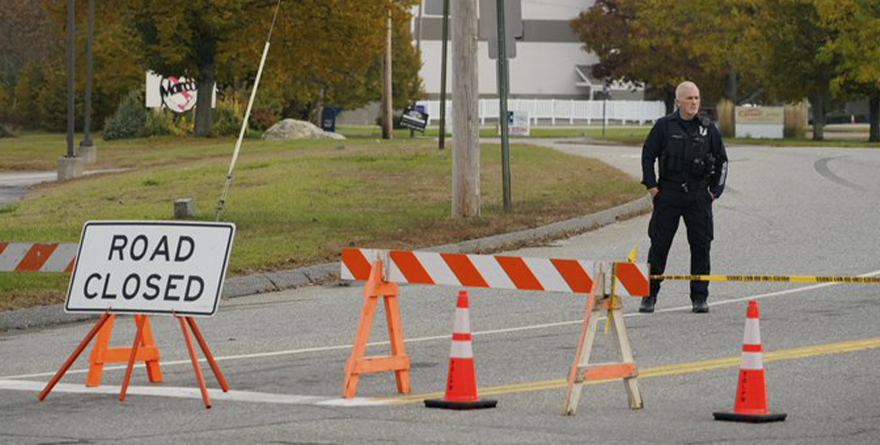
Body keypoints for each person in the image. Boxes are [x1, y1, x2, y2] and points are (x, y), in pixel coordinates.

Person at [640, 81, 728, 314]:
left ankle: (699, 297)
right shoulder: (664, 126)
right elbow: (648, 154)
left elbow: (722, 161)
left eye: (697, 98)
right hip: (668, 194)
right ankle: (649, 295)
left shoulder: (708, 128)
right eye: (689, 98)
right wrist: (652, 186)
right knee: (659, 245)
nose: (694, 102)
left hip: (699, 196)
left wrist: (715, 191)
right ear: (678, 101)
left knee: (701, 246)